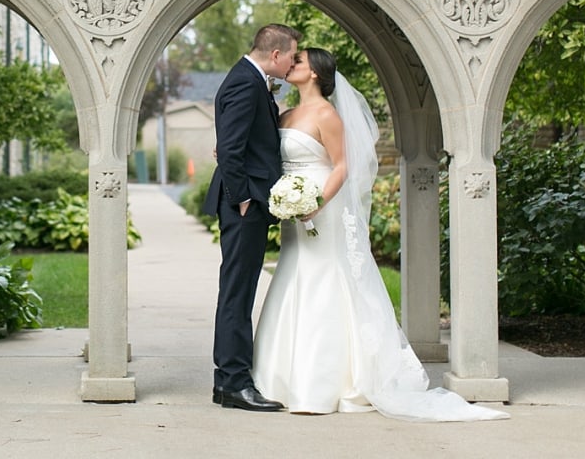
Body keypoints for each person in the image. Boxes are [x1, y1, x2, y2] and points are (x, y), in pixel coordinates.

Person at [252, 48, 509, 421]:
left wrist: (316, 203)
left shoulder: (328, 115)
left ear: (315, 74)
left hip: (322, 206)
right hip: (293, 210)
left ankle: (323, 383)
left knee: (325, 279)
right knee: (293, 275)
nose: (292, 65)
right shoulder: (287, 114)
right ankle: (280, 379)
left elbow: (343, 166)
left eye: (299, 61)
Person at [203, 23, 301, 412]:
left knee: (237, 293)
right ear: (275, 54)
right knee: (237, 294)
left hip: (249, 203)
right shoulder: (246, 82)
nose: (293, 62)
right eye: (292, 55)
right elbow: (229, 148)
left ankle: (226, 381)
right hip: (245, 206)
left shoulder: (250, 80)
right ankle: (234, 383)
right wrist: (243, 198)